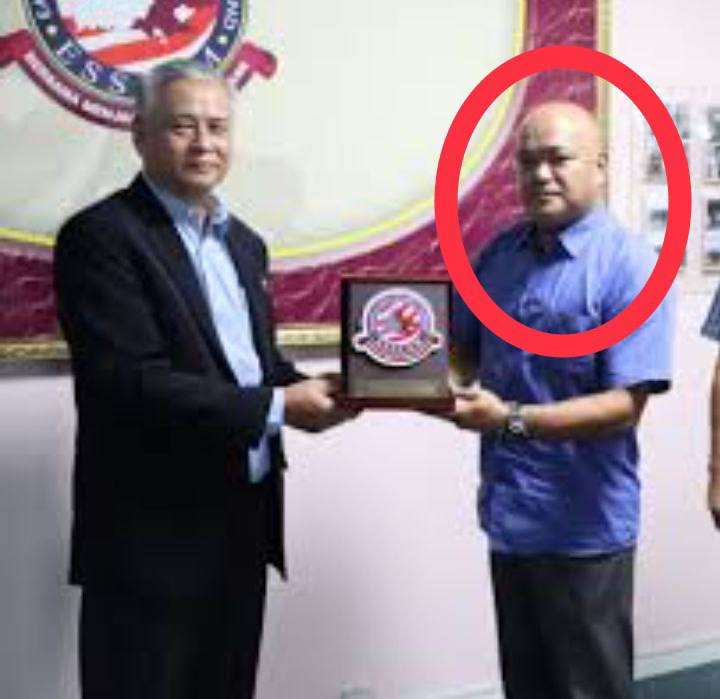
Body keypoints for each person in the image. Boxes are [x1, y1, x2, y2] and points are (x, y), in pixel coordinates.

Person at [54, 59, 350, 699]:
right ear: (140, 135)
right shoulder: (100, 237)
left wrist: (341, 389)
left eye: (217, 127)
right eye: (182, 126)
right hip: (149, 537)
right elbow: (130, 383)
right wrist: (279, 405)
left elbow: (252, 368)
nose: (204, 143)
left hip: (240, 526)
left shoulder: (245, 244)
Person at [450, 101, 675, 699]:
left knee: (589, 689)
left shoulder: (631, 266)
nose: (541, 174)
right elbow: (461, 352)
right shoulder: (497, 257)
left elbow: (624, 406)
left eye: (558, 159)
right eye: (527, 162)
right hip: (510, 516)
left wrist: (510, 420)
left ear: (599, 166)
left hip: (585, 528)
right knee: (526, 685)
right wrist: (404, 376)